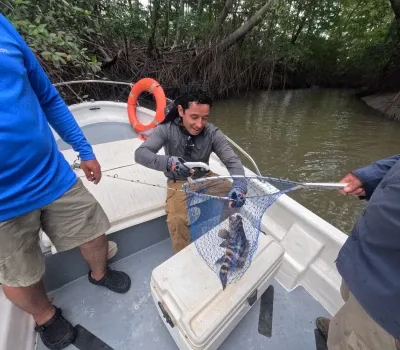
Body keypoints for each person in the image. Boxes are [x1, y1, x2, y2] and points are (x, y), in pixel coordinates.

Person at [0, 14, 131, 350]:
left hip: (50, 172)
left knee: (94, 227)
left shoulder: (4, 26)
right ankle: (46, 316)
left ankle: (99, 273)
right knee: (17, 273)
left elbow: (47, 97)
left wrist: (84, 150)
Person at [135, 89, 247, 253]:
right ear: (181, 111)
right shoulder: (165, 129)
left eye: (205, 118)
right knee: (177, 220)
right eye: (194, 117)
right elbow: (140, 154)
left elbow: (232, 160)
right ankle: (182, 256)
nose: (200, 124)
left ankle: (228, 235)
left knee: (235, 195)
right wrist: (169, 163)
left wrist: (240, 186)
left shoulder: (212, 133)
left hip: (205, 176)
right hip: (178, 181)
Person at [316, 155, 400, 350]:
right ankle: (343, 325)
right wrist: (367, 177)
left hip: (386, 300)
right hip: (364, 265)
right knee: (351, 308)